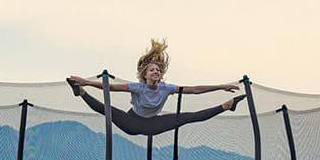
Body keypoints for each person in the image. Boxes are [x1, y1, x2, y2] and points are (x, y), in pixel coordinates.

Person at [68, 39, 245, 136]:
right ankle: (81, 92)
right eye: (152, 70)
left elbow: (194, 90)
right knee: (106, 109)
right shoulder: (138, 87)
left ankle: (227, 106)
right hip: (131, 121)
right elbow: (111, 88)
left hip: (152, 124)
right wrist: (86, 82)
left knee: (187, 117)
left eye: (158, 70)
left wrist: (221, 86)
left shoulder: (166, 88)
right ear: (144, 75)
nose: (155, 72)